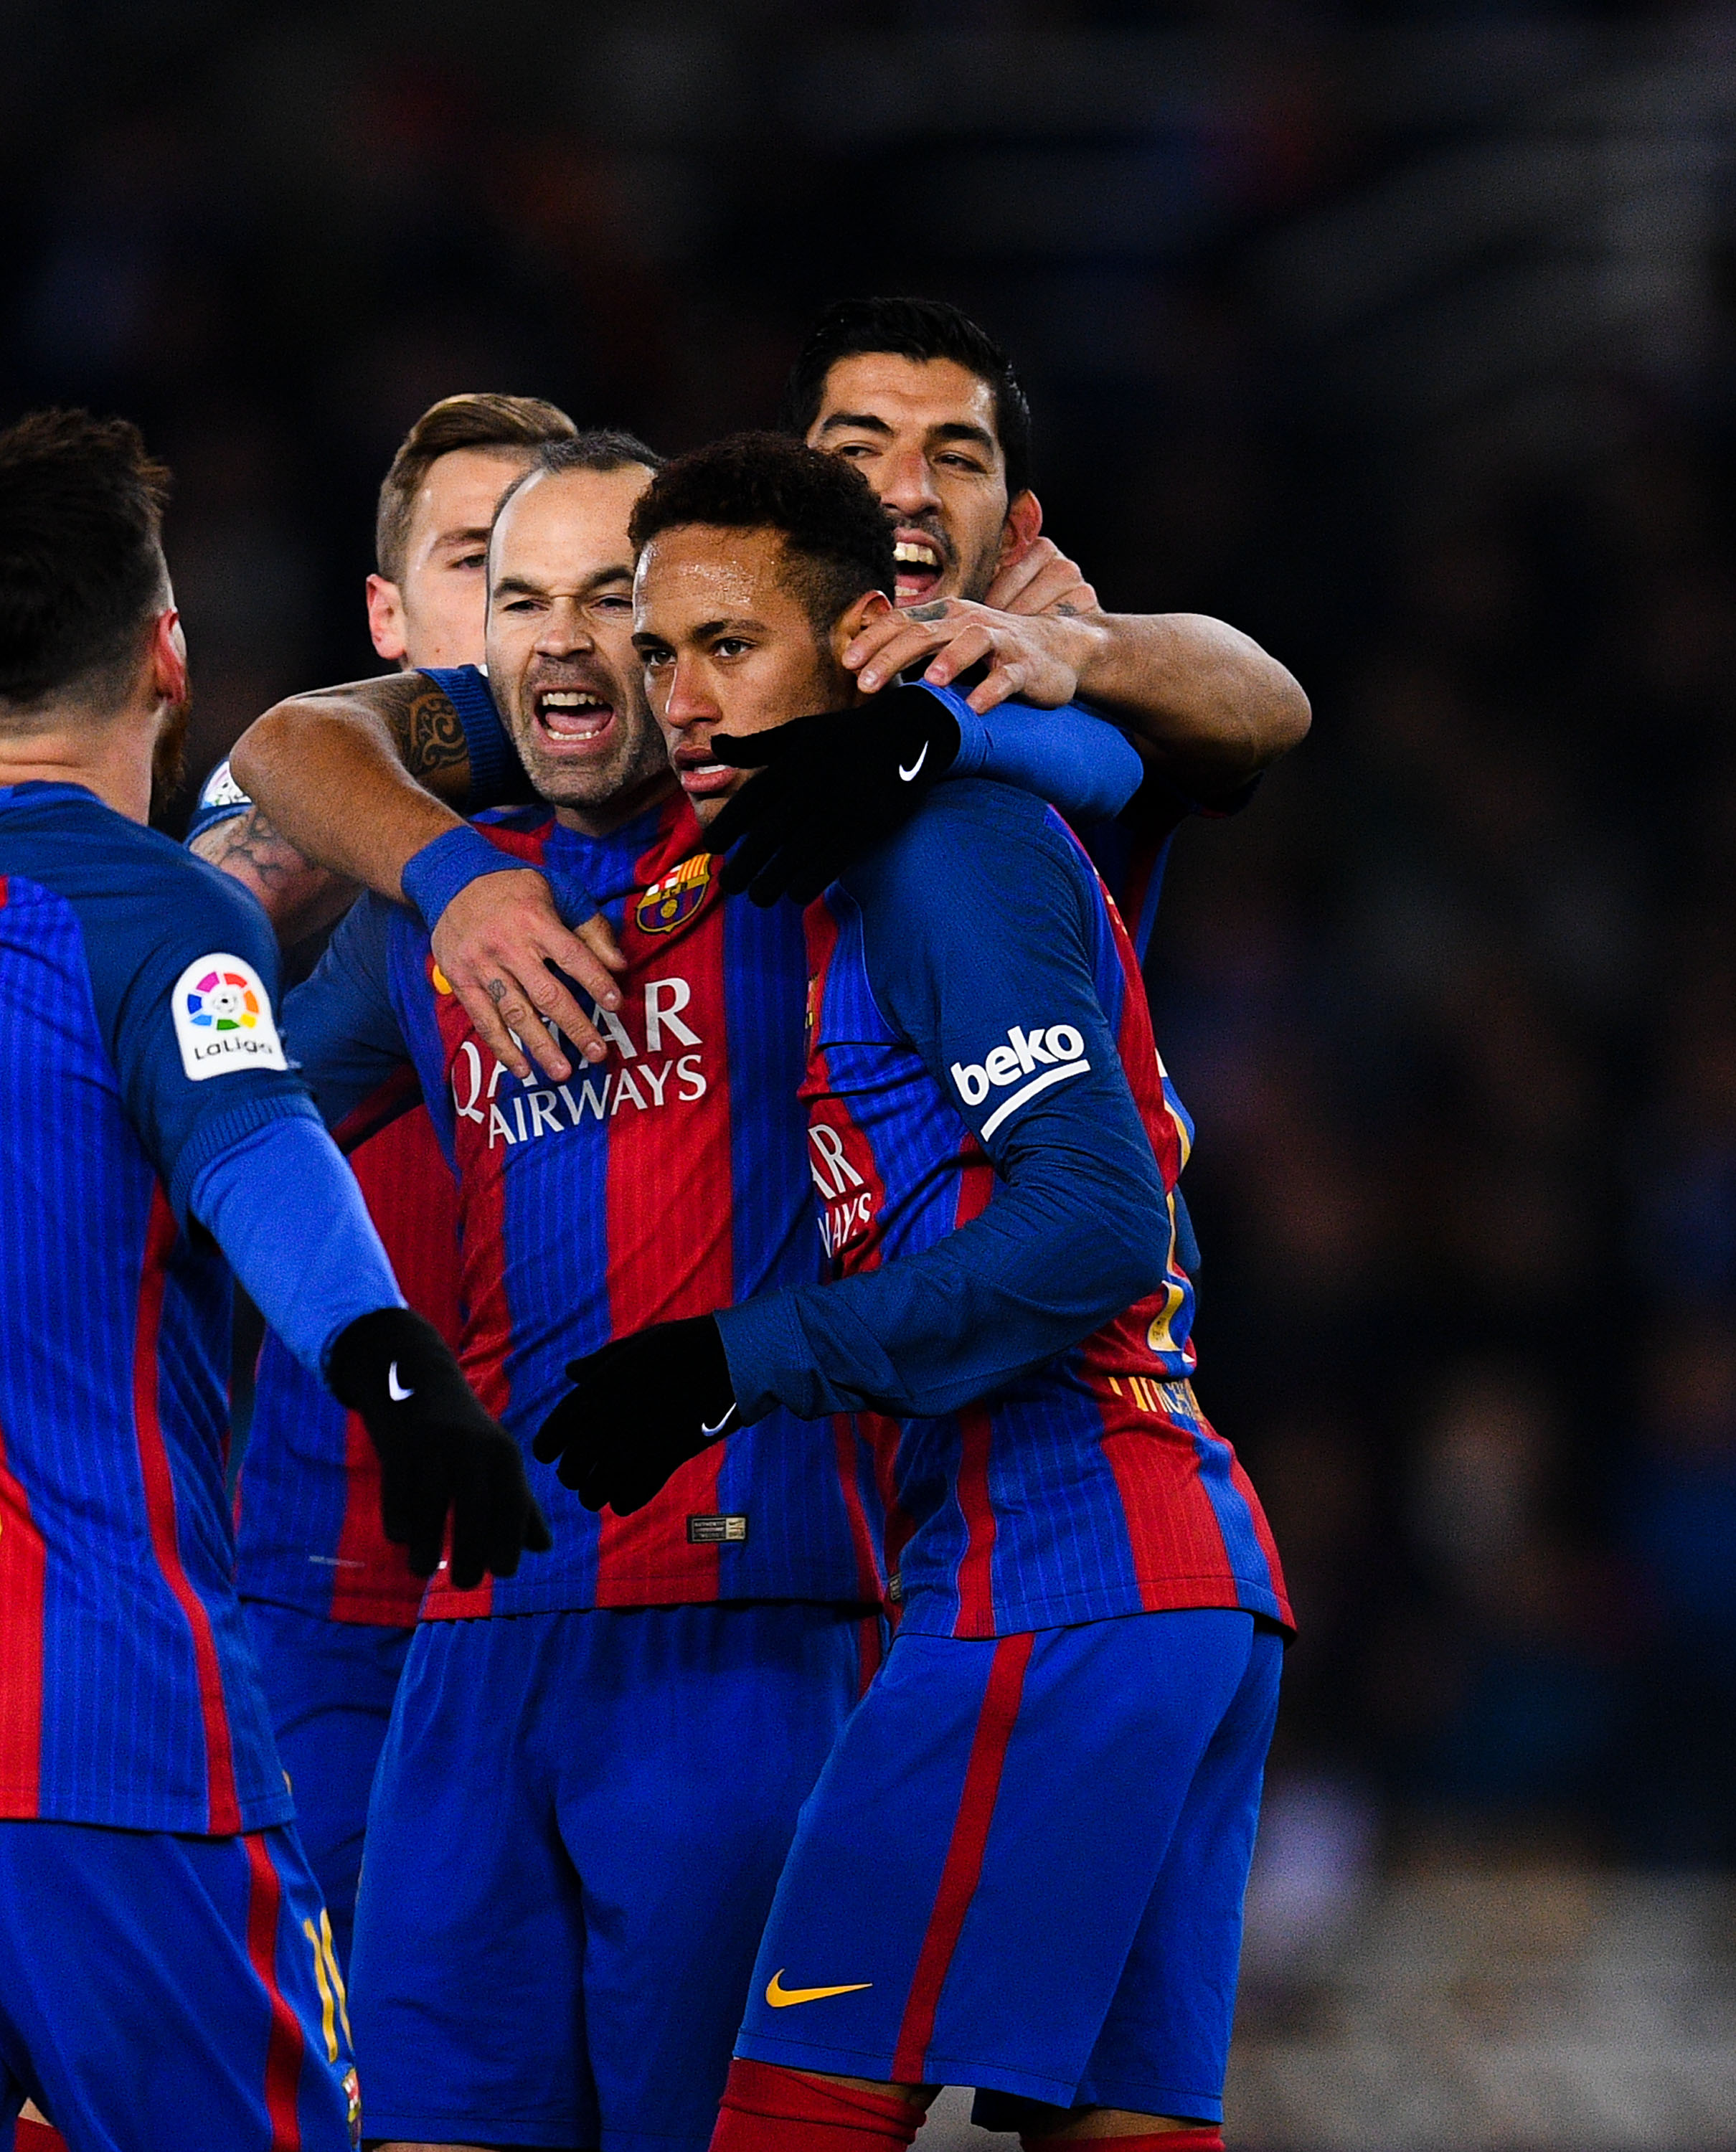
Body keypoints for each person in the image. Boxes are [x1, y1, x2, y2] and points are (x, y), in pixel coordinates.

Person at [0, 409, 547, 2151]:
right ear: (166, 655)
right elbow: (254, 1145)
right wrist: (396, 1369)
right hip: (95, 1735)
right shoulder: (153, 915)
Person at [276, 432, 1146, 2152]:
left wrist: (943, 719)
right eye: (524, 601)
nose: (581, 646)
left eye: (625, 604)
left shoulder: (806, 847)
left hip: (751, 1634)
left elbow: (1142, 747)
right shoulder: (437, 923)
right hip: (475, 1649)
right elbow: (235, 1124)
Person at [540, 433, 1288, 2152]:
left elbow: (1102, 1217)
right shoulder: (846, 863)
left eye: (731, 648)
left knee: (794, 2120)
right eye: (663, 657)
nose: (689, 701)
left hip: (1061, 1562)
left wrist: (741, 1360)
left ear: (861, 639)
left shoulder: (946, 847)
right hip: (1155, 1575)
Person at [216, 298, 1308, 1037]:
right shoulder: (676, 695)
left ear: (1019, 528)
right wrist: (458, 881)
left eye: (957, 459)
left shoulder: (1046, 686)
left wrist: (1073, 645)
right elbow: (297, 741)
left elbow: (1274, 702)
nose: (907, 489)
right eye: (861, 446)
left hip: (1058, 1337)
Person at [189, 390, 574, 1965]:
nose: (514, 619)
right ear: (387, 612)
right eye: (479, 564)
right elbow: (184, 940)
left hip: (589, 1575)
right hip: (328, 1583)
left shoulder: (668, 821)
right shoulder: (282, 807)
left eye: (564, 576)